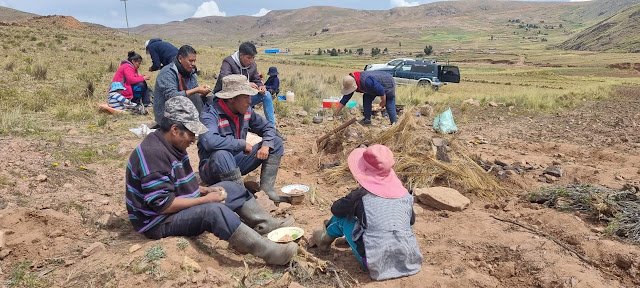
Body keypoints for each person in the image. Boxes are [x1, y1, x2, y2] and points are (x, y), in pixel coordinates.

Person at [125, 96, 297, 265]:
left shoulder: (172, 144)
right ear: (175, 129)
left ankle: (264, 225)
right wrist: (205, 200)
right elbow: (163, 205)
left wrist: (204, 190)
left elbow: (175, 185)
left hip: (171, 209)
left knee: (232, 187)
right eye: (191, 133)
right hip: (158, 222)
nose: (194, 139)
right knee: (213, 210)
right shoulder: (153, 154)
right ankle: (269, 252)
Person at [308, 145, 423, 280]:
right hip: (408, 260)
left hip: (375, 263)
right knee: (399, 221)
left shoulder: (360, 196)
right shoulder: (405, 195)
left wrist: (353, 198)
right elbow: (411, 222)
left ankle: (323, 241)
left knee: (341, 220)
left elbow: (336, 209)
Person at [199, 75, 289, 203]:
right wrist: (240, 144)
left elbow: (268, 127)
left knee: (276, 142)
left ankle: (267, 192)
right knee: (222, 154)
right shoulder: (210, 114)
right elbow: (209, 141)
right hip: (213, 169)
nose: (249, 101)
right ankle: (244, 200)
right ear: (231, 98)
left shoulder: (246, 110)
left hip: (237, 162)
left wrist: (266, 145)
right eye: (246, 96)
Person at [213, 42, 285, 139]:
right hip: (227, 99)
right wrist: (246, 83)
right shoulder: (228, 62)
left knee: (266, 95)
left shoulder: (252, 65)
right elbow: (224, 79)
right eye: (249, 57)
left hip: (244, 98)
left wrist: (261, 86)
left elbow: (256, 79)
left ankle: (272, 128)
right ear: (241, 55)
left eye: (253, 57)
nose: (251, 60)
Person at [153, 45, 211, 125]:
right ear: (180, 59)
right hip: (167, 114)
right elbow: (172, 96)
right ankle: (200, 127)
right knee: (194, 96)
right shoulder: (168, 72)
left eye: (194, 61)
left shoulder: (191, 73)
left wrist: (203, 93)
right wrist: (196, 90)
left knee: (211, 100)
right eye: (190, 61)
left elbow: (195, 97)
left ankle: (211, 124)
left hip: (185, 108)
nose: (193, 64)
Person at [333, 71, 398, 125]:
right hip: (374, 86)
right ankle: (367, 120)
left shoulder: (366, 81)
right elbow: (345, 99)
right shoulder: (352, 81)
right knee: (366, 97)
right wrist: (336, 113)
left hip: (387, 82)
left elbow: (381, 90)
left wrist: (383, 102)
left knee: (389, 102)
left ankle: (395, 124)